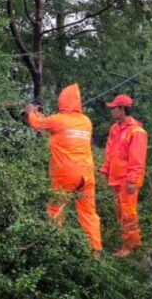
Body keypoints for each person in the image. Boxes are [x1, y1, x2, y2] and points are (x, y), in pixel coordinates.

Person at [24, 84, 102, 255]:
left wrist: (31, 111)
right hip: (86, 175)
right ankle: (95, 252)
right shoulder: (86, 121)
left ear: (62, 101)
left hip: (65, 174)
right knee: (89, 214)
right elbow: (54, 126)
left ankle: (56, 249)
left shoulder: (58, 120)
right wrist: (40, 116)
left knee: (55, 209)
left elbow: (37, 124)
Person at [99, 94, 147, 257]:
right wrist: (105, 170)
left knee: (128, 213)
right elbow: (109, 151)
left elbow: (137, 159)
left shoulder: (137, 131)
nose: (112, 111)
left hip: (128, 179)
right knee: (120, 212)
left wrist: (132, 180)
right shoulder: (115, 128)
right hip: (116, 177)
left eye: (114, 108)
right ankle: (131, 243)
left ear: (123, 109)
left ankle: (130, 247)